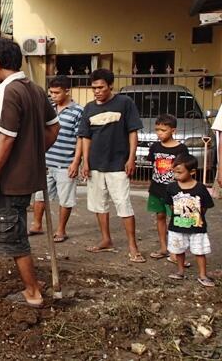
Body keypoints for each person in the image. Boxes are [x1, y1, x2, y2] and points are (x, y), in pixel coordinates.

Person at [0, 38, 59, 309]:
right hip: (17, 175)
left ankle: (32, 292)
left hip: (11, 179)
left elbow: (6, 138)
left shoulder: (10, 90)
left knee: (12, 235)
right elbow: (53, 129)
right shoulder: (36, 90)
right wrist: (32, 152)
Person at [79, 68, 145, 263]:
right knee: (99, 204)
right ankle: (106, 240)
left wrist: (131, 158)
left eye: (101, 87)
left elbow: (133, 132)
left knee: (123, 204)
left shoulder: (125, 103)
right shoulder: (89, 108)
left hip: (118, 164)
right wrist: (85, 161)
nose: (97, 91)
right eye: (94, 88)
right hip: (95, 165)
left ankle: (133, 246)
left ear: (110, 86)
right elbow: (85, 137)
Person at [29, 76, 84, 243]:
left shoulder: (78, 111)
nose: (53, 95)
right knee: (39, 196)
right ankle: (37, 225)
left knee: (65, 198)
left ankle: (61, 229)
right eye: (51, 92)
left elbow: (80, 138)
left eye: (57, 92)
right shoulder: (49, 108)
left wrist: (76, 162)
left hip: (65, 162)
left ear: (67, 91)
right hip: (45, 161)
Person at [166, 154, 215, 287]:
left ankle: (202, 275)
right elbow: (171, 205)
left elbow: (205, 207)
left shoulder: (200, 188)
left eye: (180, 172)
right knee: (179, 250)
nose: (176, 175)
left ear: (192, 172)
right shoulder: (171, 188)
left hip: (197, 228)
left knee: (200, 251)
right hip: (177, 226)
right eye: (174, 171)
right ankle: (180, 271)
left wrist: (195, 217)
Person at [145, 114, 188, 262]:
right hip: (156, 189)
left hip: (174, 191)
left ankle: (176, 251)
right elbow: (152, 164)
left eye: (163, 130)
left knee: (176, 219)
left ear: (173, 130)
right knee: (160, 216)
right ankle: (164, 248)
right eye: (157, 130)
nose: (159, 133)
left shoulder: (181, 149)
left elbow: (185, 170)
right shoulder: (155, 147)